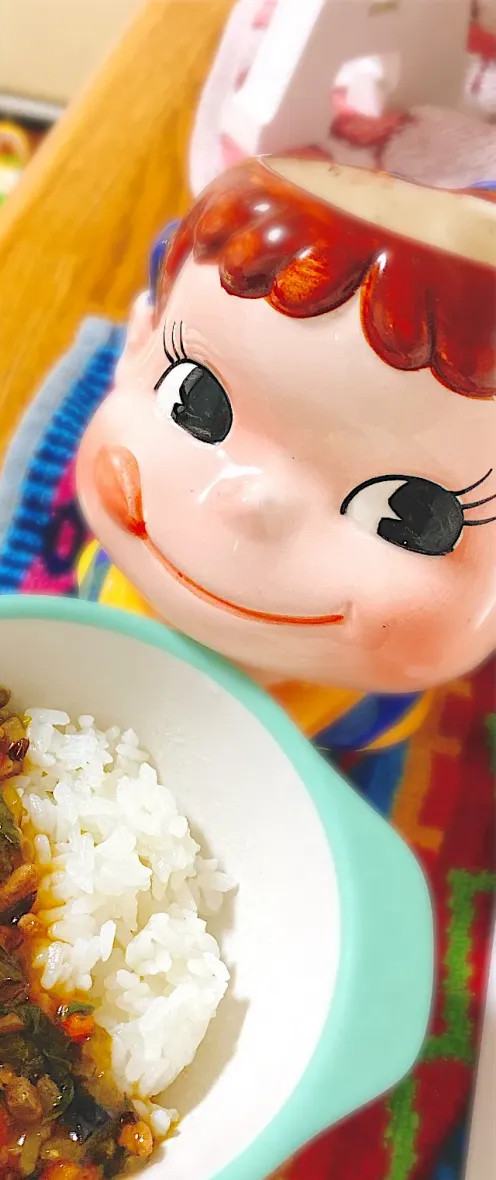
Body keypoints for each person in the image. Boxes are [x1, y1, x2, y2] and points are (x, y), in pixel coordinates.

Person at [75, 158, 496, 753]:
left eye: (410, 514)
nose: (255, 502)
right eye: (196, 401)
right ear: (140, 339)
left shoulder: (358, 707)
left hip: (331, 699)